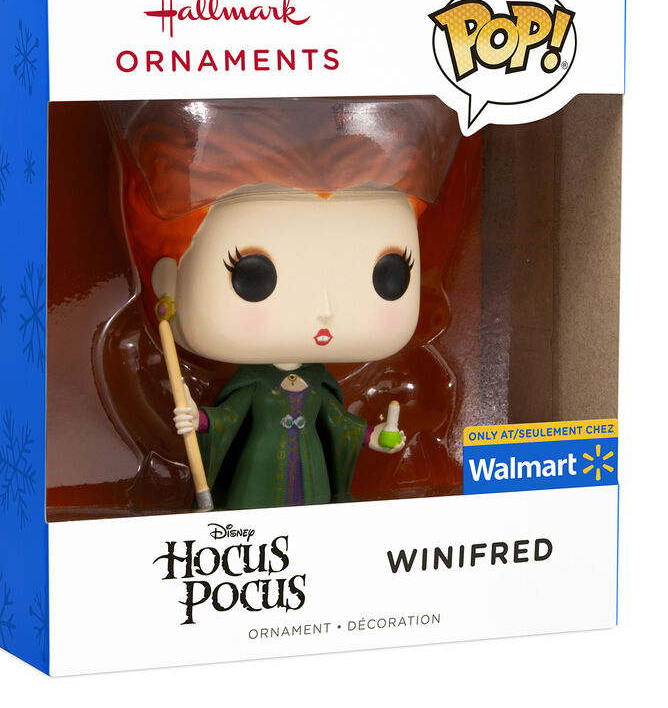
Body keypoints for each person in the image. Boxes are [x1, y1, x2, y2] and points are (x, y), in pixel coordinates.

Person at [117, 98, 459, 509]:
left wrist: (376, 438)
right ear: (167, 282)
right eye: (253, 278)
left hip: (312, 477)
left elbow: (339, 424)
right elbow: (229, 418)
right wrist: (198, 418)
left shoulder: (317, 385)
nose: (325, 309)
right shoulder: (253, 384)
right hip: (254, 479)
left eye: (388, 276)